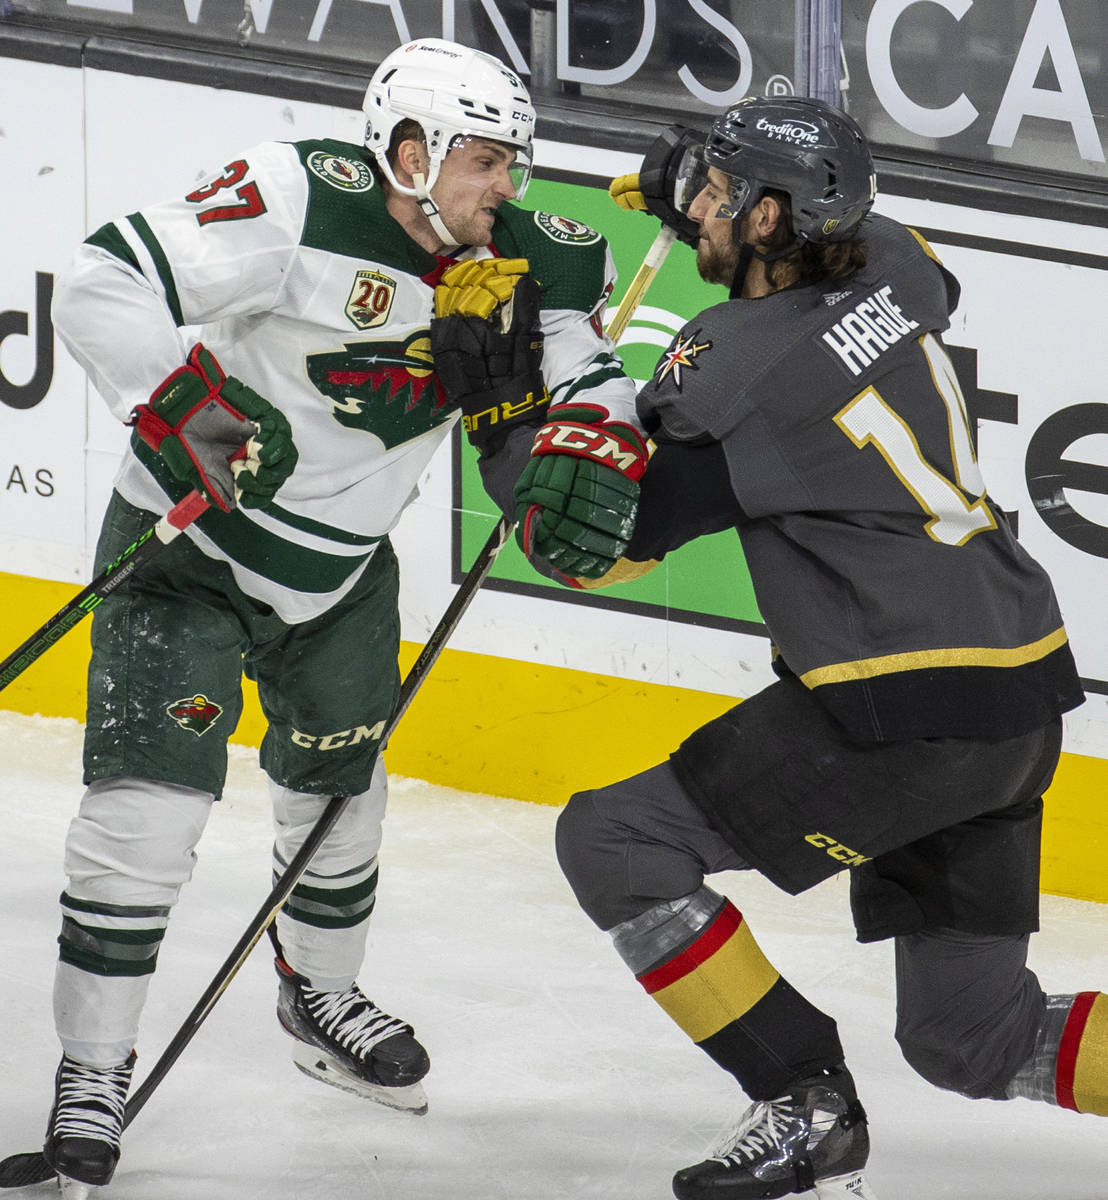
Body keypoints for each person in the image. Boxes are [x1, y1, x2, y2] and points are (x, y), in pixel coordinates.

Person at [39, 36, 640, 1193]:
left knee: (340, 808)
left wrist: (571, 426)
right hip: (190, 554)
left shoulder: (539, 257)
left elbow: (591, 383)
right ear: (407, 150)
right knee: (145, 824)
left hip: (341, 576)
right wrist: (192, 420)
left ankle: (318, 993)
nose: (504, 185)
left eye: (514, 161)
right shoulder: (296, 193)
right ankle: (92, 1067)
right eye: (482, 160)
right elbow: (106, 282)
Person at [511, 95, 1102, 1199]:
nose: (697, 207)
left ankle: (802, 1099)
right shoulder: (900, 264)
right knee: (971, 1035)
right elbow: (864, 260)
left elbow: (592, 538)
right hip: (1017, 697)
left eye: (723, 196)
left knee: (615, 842)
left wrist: (526, 395)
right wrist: (702, 212)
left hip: (900, 706)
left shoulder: (736, 371)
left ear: (778, 219)